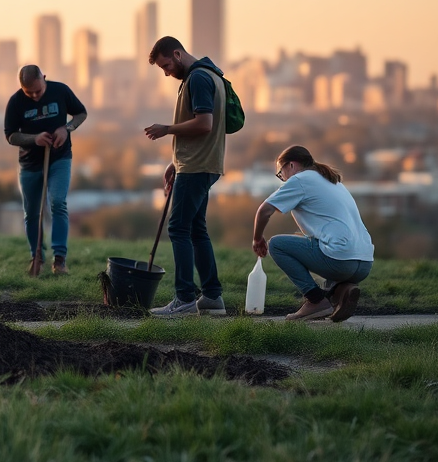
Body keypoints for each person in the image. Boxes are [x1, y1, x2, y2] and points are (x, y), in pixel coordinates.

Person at [144, 36, 228, 317]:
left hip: (197, 167)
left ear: (177, 54)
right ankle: (212, 297)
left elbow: (205, 124)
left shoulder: (199, 79)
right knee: (195, 229)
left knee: (178, 228)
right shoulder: (209, 75)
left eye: (167, 66)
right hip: (197, 164)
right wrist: (175, 161)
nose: (167, 73)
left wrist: (166, 129)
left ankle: (184, 299)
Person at [253, 145, 374, 322]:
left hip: (340, 260)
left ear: (291, 165)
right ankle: (340, 292)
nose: (283, 179)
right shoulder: (332, 181)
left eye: (281, 173)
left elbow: (264, 211)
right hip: (364, 263)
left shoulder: (300, 180)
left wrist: (257, 239)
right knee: (318, 243)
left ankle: (316, 300)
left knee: (277, 245)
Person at [4, 65, 87, 276]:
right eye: (28, 92)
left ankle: (59, 259)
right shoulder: (15, 102)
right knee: (32, 213)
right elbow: (11, 136)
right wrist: (35, 139)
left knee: (58, 203)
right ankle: (37, 256)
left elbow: (81, 113)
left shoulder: (60, 91)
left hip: (59, 158)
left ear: (45, 79)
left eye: (38, 91)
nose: (33, 96)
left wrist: (66, 129)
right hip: (30, 164)